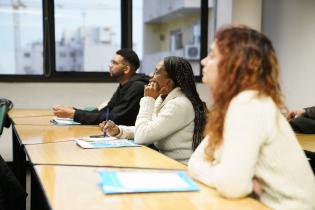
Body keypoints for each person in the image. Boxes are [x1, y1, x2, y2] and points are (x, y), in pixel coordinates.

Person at [188, 25, 315, 210]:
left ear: (235, 64)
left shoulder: (249, 104)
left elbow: (231, 186)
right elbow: (195, 163)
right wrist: (235, 181)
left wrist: (232, 180)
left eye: (213, 55)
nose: (203, 61)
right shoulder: (234, 105)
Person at [100, 56, 207, 164]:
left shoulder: (179, 104)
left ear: (168, 83)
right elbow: (150, 128)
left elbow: (142, 136)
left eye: (156, 72)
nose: (151, 76)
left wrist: (148, 99)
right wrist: (119, 131)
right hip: (165, 162)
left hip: (181, 168)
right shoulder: (163, 99)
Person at [52, 49, 149, 125]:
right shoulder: (125, 84)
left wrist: (74, 114)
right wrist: (75, 111)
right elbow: (106, 111)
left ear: (126, 69)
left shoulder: (137, 87)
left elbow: (114, 118)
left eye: (114, 63)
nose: (110, 65)